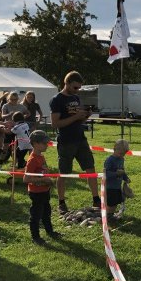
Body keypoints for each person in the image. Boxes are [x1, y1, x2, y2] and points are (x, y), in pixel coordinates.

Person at [49, 71, 99, 214]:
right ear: (67, 83)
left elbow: (78, 120)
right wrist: (76, 116)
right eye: (75, 87)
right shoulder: (57, 99)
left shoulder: (76, 98)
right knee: (63, 173)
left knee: (90, 169)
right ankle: (61, 202)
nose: (77, 90)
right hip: (66, 141)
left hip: (80, 139)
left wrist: (84, 117)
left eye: (79, 88)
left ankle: (96, 199)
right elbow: (55, 123)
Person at [23, 130, 61, 245]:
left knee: (46, 212)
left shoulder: (41, 157)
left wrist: (48, 181)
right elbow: (26, 179)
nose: (46, 145)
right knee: (36, 215)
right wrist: (43, 180)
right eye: (44, 143)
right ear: (35, 143)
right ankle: (36, 237)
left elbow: (44, 172)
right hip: (36, 192)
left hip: (45, 190)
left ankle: (50, 232)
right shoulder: (32, 160)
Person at [103, 139, 130, 218]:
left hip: (117, 186)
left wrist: (125, 177)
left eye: (124, 154)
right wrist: (116, 174)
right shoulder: (109, 160)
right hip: (110, 186)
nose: (122, 155)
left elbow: (122, 170)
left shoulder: (121, 159)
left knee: (116, 201)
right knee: (111, 202)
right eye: (121, 153)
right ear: (114, 149)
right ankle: (108, 216)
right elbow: (106, 173)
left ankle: (111, 214)